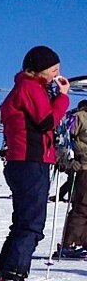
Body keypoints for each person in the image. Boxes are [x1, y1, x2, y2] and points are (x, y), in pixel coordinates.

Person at [0, 45, 72, 281]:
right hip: (29, 163)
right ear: (38, 70)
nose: (57, 74)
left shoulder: (30, 87)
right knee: (31, 226)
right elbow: (46, 121)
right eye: (53, 70)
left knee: (22, 226)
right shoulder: (30, 87)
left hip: (25, 162)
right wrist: (64, 97)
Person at [58, 100, 87, 258]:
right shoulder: (79, 118)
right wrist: (67, 160)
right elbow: (63, 139)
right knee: (82, 206)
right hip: (84, 168)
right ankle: (70, 243)